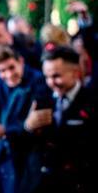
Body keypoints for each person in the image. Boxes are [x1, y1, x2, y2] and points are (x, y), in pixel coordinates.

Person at [0, 46, 49, 193]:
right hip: (3, 155)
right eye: (2, 71)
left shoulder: (38, 80)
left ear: (20, 61)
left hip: (29, 156)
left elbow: (38, 122)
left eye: (11, 67)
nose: (8, 75)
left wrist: (6, 130)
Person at [24, 46, 97, 192]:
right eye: (47, 77)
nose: (50, 82)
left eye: (56, 76)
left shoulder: (92, 101)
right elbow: (30, 145)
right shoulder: (41, 99)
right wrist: (27, 127)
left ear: (75, 73)